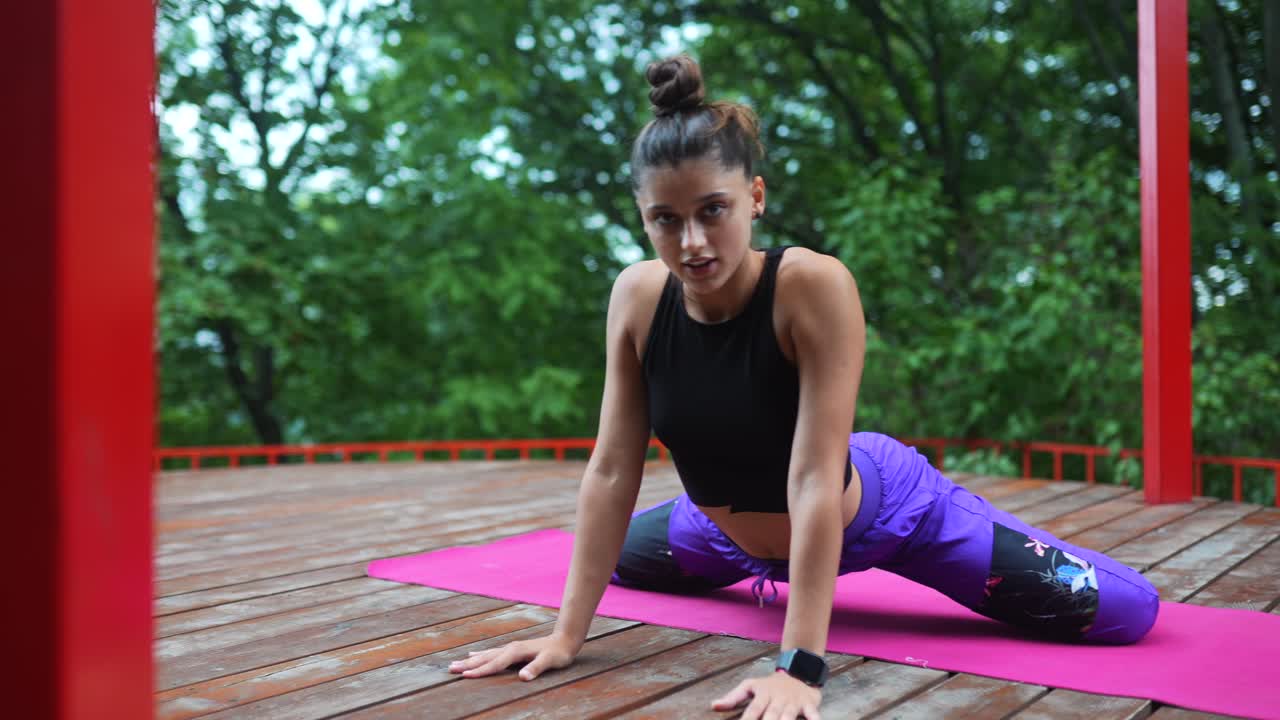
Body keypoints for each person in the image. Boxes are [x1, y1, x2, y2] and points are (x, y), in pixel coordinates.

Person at [449, 54, 1160, 720]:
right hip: (719, 535)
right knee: (619, 563)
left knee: (1121, 612)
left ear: (754, 198)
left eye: (712, 210)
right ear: (643, 218)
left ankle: (949, 519)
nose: (691, 242)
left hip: (875, 513)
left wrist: (799, 665)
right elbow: (610, 470)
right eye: (666, 220)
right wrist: (566, 637)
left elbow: (817, 478)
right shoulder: (637, 297)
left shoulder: (811, 286)